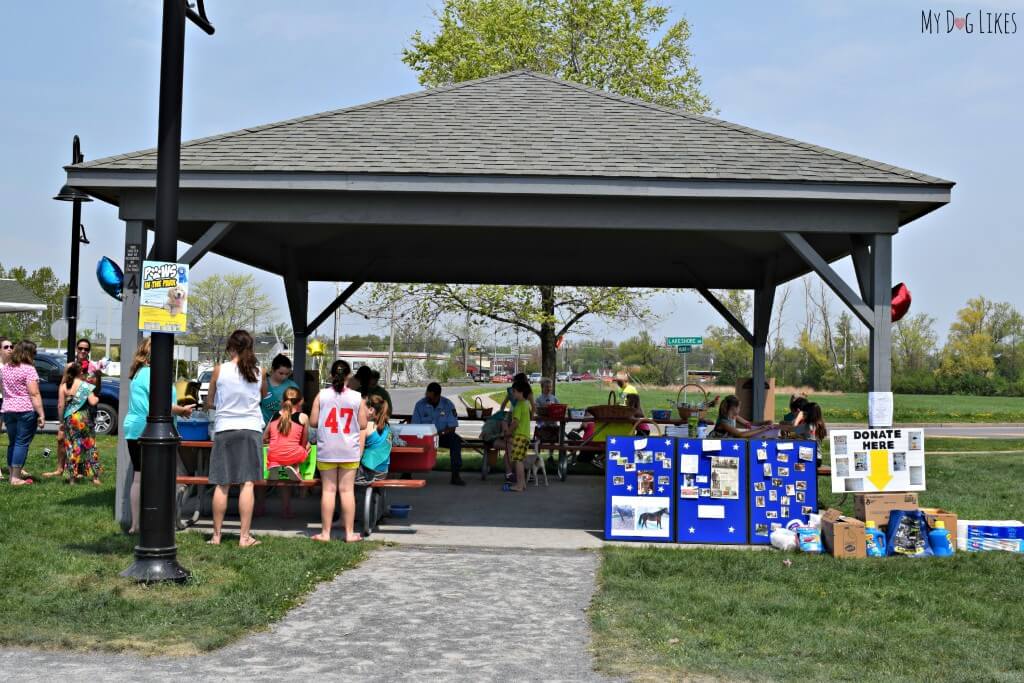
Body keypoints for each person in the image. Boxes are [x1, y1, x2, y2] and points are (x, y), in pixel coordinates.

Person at [122, 337, 194, 534]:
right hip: (152, 429)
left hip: (133, 428)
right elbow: (161, 404)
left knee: (138, 477)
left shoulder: (137, 373)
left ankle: (135, 525)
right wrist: (182, 410)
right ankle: (158, 523)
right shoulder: (153, 374)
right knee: (160, 478)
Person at [205, 330, 268, 548]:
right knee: (247, 483)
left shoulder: (218, 370)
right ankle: (244, 537)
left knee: (222, 484)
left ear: (231, 347)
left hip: (225, 429)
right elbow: (262, 397)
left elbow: (210, 402)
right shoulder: (260, 371)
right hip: (250, 429)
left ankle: (216, 536)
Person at [309, 360, 367, 542]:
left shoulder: (322, 395)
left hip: (327, 448)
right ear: (349, 375)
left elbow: (313, 422)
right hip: (349, 449)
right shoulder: (357, 397)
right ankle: (349, 533)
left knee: (328, 491)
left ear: (331, 375)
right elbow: (364, 424)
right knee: (347, 491)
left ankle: (325, 533)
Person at [1, 341, 45, 486]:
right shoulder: (29, 369)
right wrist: (41, 414)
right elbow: (34, 393)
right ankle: (16, 478)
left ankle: (12, 475)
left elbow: (3, 390)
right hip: (25, 410)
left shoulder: (5, 368)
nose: (35, 355)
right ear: (28, 353)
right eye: (34, 352)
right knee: (21, 443)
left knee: (13, 442)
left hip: (8, 409)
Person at [264, 386, 309, 519]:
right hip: (294, 456)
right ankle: (295, 468)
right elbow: (304, 441)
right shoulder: (303, 417)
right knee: (307, 447)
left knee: (277, 456)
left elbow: (264, 437)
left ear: (283, 400)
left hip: (274, 455)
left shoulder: (274, 415)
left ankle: (274, 465)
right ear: (300, 401)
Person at [412, 382, 465, 486]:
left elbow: (452, 427)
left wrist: (441, 433)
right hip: (423, 437)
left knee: (455, 440)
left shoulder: (448, 405)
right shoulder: (420, 404)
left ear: (438, 396)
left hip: (441, 435)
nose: (428, 400)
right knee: (407, 442)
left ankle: (455, 475)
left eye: (430, 398)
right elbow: (414, 426)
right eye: (427, 396)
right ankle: (406, 473)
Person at [57, 363, 101, 485]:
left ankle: (72, 478)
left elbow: (60, 405)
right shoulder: (85, 385)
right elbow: (93, 402)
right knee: (90, 446)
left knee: (71, 447)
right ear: (79, 372)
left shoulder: (63, 386)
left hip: (69, 418)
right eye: (81, 371)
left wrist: (61, 421)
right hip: (83, 418)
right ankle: (95, 477)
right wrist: (97, 398)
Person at [503, 380, 533, 492]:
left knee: (518, 461)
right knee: (520, 459)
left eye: (514, 392)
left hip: (519, 436)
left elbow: (515, 422)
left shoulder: (519, 406)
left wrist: (508, 432)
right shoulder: (526, 404)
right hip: (525, 436)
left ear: (521, 392)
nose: (513, 394)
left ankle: (519, 484)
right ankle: (523, 483)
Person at [356, 394, 392, 485]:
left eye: (361, 408)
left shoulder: (365, 426)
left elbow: (358, 454)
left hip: (368, 472)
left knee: (341, 475)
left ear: (371, 410)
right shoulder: (387, 427)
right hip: (383, 472)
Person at [708, 395, 774, 439]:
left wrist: (763, 423)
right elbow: (740, 435)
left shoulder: (735, 416)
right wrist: (762, 429)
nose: (740, 409)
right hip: (716, 444)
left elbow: (749, 424)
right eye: (739, 407)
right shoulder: (723, 422)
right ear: (733, 408)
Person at [260, 354, 300, 427]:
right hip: (264, 427)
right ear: (272, 369)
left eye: (287, 374)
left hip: (285, 428)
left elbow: (298, 410)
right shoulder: (263, 384)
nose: (284, 376)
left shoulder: (293, 386)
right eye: (281, 373)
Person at [0, 336, 11, 481]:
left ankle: (14, 466)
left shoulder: (10, 367)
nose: (10, 349)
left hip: (7, 402)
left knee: (13, 436)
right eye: (6, 347)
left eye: (11, 346)